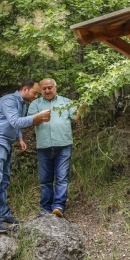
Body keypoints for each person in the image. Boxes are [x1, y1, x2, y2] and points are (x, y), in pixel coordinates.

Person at [0, 80, 51, 233]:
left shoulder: (22, 104)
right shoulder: (8, 100)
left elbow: (14, 125)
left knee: (3, 180)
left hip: (4, 143)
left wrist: (20, 138)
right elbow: (15, 121)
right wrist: (36, 118)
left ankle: (2, 214)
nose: (36, 96)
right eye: (35, 93)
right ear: (25, 89)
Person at [28, 78, 86, 218]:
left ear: (56, 87)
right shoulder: (36, 104)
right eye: (44, 89)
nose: (47, 91)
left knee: (62, 177)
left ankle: (59, 206)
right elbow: (31, 121)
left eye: (50, 87)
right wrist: (40, 117)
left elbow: (76, 117)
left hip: (64, 145)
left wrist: (83, 106)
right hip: (44, 146)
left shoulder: (66, 102)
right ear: (41, 90)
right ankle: (46, 208)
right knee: (45, 179)